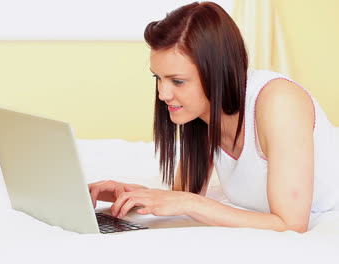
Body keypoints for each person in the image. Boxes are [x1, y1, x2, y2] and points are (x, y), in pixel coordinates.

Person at [88, 1, 339, 233]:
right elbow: (182, 197)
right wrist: (130, 195)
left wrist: (190, 203)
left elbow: (291, 225)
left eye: (177, 81)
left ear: (215, 74)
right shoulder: (198, 113)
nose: (163, 94)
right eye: (158, 78)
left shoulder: (279, 102)